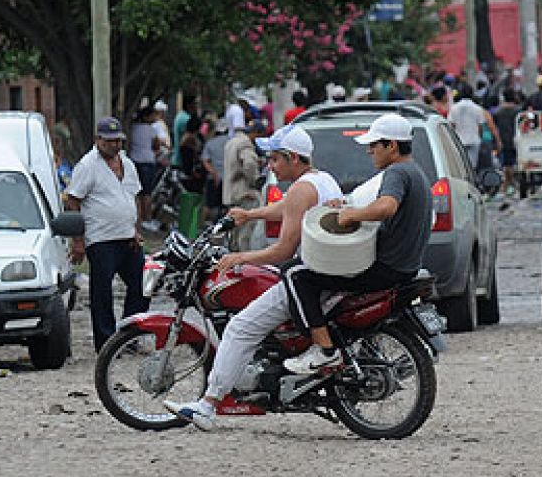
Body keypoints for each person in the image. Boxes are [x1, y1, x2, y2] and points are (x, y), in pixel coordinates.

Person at [163, 125, 344, 429]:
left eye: (275, 159)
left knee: (240, 328)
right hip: (324, 272)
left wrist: (239, 258)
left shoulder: (302, 188)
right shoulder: (320, 180)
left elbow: (283, 249)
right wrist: (249, 216)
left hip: (308, 275)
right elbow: (286, 208)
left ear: (293, 158)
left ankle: (208, 406)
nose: (270, 166)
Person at [281, 114, 431, 374]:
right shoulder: (416, 172)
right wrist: (349, 206)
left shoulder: (396, 172)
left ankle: (324, 350)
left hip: (384, 269)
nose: (370, 150)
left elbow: (386, 206)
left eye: (374, 145)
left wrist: (352, 215)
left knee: (295, 274)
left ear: (392, 146)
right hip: (404, 267)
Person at [64, 117, 149, 351]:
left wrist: (137, 229)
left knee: (143, 284)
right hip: (101, 238)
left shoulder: (127, 164)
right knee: (102, 292)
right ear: (98, 140)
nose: (114, 145)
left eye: (118, 141)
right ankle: (107, 343)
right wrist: (78, 241)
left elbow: (134, 197)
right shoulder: (88, 165)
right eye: (109, 141)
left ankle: (130, 335)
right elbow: (74, 200)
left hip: (127, 236)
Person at [223, 119, 268, 248]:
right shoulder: (246, 144)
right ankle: (243, 263)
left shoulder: (232, 142)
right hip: (245, 193)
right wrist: (255, 181)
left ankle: (233, 261)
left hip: (231, 193)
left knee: (234, 234)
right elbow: (248, 164)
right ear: (256, 133)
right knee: (245, 233)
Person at [448, 85, 496, 180]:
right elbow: (480, 126)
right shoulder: (477, 108)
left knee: (461, 166)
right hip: (474, 140)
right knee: (472, 167)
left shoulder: (454, 108)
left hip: (459, 141)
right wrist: (480, 137)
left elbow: (451, 125)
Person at [493, 89, 523, 194]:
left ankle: (508, 185)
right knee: (513, 163)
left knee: (506, 164)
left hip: (502, 140)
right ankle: (511, 184)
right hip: (516, 139)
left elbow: (495, 127)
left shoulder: (497, 112)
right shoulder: (518, 110)